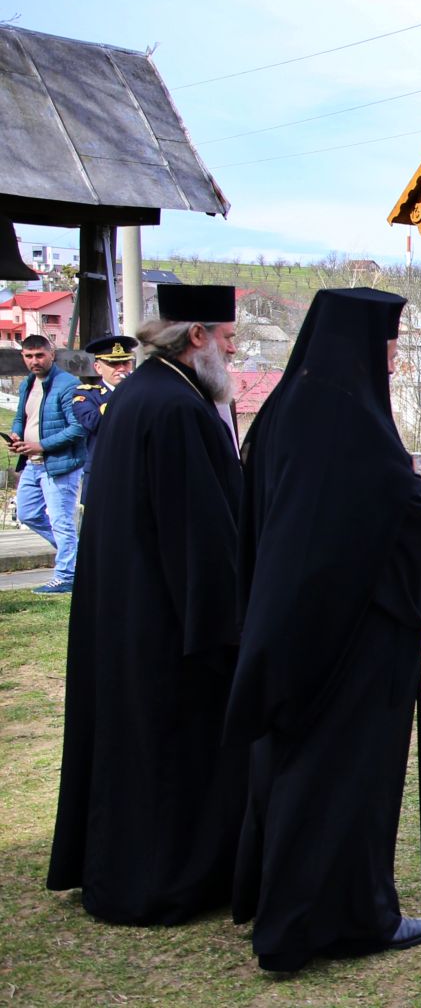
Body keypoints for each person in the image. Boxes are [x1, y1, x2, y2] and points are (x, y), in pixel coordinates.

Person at [227, 288, 421, 972]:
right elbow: (399, 514)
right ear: (360, 345)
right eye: (389, 345)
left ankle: (283, 904)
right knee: (345, 779)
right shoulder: (348, 421)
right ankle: (345, 919)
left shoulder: (285, 407)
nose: (393, 359)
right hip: (353, 640)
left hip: (293, 632)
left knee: (295, 773)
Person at [46, 284, 246, 924]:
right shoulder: (177, 407)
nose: (232, 352)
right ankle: (163, 882)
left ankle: (121, 867)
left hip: (128, 608)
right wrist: (226, 626)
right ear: (197, 337)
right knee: (165, 751)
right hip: (168, 619)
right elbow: (199, 535)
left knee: (129, 745)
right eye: (228, 339)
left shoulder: (142, 392)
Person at [7, 334, 86, 594]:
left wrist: (40, 445)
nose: (35, 361)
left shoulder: (68, 384)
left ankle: (66, 576)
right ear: (23, 357)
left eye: (40, 355)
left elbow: (78, 428)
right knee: (28, 513)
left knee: (61, 521)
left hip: (60, 463)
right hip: (32, 462)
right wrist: (17, 435)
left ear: (52, 354)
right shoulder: (27, 383)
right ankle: (78, 556)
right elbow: (21, 417)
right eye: (29, 356)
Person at [71, 334, 137, 476]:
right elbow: (92, 422)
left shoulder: (141, 392)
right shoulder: (87, 394)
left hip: (135, 469)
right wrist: (122, 395)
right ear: (98, 368)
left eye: (126, 363)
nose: (121, 369)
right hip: (102, 471)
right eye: (113, 364)